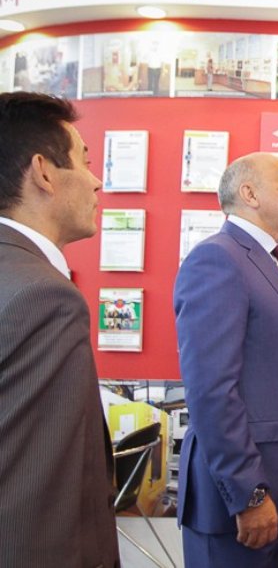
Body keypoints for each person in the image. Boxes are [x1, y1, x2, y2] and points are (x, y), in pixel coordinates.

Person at [174, 153, 278, 568]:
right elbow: (211, 390)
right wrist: (249, 493)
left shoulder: (267, 260)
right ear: (250, 193)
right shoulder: (218, 259)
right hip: (241, 499)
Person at [0, 92, 119, 567]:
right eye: (84, 161)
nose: (96, 180)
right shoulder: (46, 298)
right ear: (44, 172)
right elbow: (42, 487)